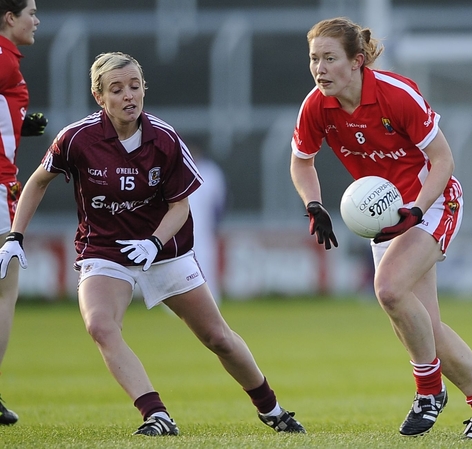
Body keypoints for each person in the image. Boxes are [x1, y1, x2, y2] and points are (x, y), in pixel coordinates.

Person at [0, 52, 305, 436]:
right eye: (117, 89)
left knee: (218, 337)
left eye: (135, 86)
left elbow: (180, 206)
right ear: (99, 97)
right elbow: (38, 181)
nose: (129, 95)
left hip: (166, 250)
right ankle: (156, 414)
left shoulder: (164, 138)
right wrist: (15, 236)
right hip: (105, 250)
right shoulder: (77, 138)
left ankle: (272, 409)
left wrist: (153, 243)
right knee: (100, 326)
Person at [291, 17, 472, 439]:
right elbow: (302, 161)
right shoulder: (316, 105)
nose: (319, 68)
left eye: (329, 59)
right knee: (420, 325)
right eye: (314, 59)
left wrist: (416, 209)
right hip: (387, 216)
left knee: (388, 290)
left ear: (357, 62)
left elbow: (444, 161)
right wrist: (314, 204)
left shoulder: (397, 94)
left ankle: (429, 392)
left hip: (433, 201)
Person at [0, 0, 46, 426]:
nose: (37, 19)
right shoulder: (3, 57)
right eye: (30, 11)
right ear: (9, 17)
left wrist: (15, 125)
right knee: (4, 291)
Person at [187, 140, 226, 302]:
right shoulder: (175, 169)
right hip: (178, 229)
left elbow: (220, 201)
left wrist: (216, 223)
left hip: (204, 228)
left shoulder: (211, 172)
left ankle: (211, 298)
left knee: (206, 261)